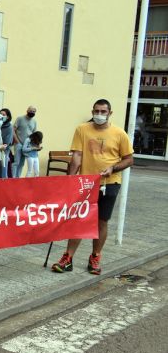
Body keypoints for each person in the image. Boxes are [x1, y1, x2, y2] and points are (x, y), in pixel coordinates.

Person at [51, 99, 133, 275]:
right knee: (80, 219)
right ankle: (68, 258)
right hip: (85, 183)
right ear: (92, 111)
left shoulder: (120, 134)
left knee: (101, 221)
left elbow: (129, 159)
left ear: (110, 113)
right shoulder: (82, 129)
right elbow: (77, 156)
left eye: (103, 112)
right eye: (97, 111)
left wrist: (113, 168)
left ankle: (95, 256)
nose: (100, 115)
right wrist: (70, 179)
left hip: (109, 183)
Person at [13, 106, 38, 177]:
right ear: (27, 110)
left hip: (27, 146)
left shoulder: (34, 121)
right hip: (18, 144)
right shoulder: (20, 119)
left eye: (34, 111)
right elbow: (13, 130)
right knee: (16, 162)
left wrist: (33, 145)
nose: (32, 112)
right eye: (31, 111)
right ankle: (13, 178)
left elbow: (34, 134)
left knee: (22, 163)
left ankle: (18, 179)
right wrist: (17, 141)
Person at [0, 108, 13, 178]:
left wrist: (0, 146)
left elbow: (7, 142)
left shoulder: (9, 127)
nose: (1, 116)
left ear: (8, 117)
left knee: (4, 170)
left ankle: (4, 186)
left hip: (4, 151)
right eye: (0, 114)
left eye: (3, 115)